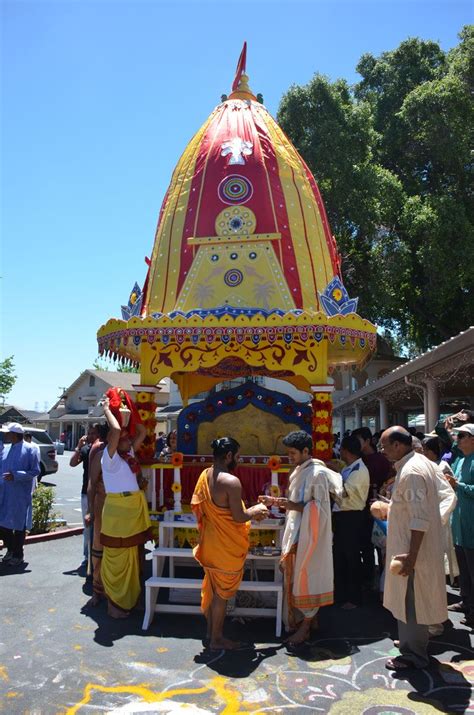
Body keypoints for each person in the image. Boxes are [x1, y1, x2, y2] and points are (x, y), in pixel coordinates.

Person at [260, 430, 342, 645]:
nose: (290, 457)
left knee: (307, 577)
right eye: (288, 453)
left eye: (293, 453)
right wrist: (278, 501)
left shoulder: (317, 473)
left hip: (309, 534)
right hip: (297, 530)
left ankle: (304, 627)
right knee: (296, 576)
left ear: (306, 451)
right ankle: (306, 621)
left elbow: (320, 508)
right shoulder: (299, 470)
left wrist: (285, 504)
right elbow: (298, 502)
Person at [379, 426, 447, 670]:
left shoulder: (412, 471)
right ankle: (411, 643)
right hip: (410, 546)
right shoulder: (417, 463)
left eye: (385, 447)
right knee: (409, 599)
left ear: (398, 445)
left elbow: (419, 519)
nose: (383, 452)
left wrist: (412, 556)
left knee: (411, 600)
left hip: (412, 549)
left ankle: (413, 655)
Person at [191, 436, 269, 650]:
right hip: (225, 547)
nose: (238, 459)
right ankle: (216, 639)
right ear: (228, 456)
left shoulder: (205, 474)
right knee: (221, 595)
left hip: (210, 542)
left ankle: (211, 632)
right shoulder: (231, 482)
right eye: (237, 456)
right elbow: (238, 517)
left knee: (214, 589)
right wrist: (254, 511)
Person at [100, 394, 151, 618]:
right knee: (116, 557)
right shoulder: (109, 458)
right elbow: (115, 431)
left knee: (134, 556)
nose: (130, 440)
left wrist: (131, 410)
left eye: (128, 439)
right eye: (124, 438)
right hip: (118, 514)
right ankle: (115, 604)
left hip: (133, 511)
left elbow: (142, 432)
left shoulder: (127, 454)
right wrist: (107, 410)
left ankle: (130, 601)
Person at [332, 434, 370, 609]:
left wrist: (329, 479)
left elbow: (343, 493)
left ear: (346, 451)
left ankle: (354, 598)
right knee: (340, 557)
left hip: (352, 518)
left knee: (352, 558)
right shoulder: (350, 468)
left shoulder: (359, 470)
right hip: (343, 517)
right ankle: (341, 595)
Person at [352, 426, 392, 588]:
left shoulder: (379, 460)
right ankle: (370, 577)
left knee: (380, 545)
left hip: (378, 507)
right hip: (362, 507)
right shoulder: (359, 460)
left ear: (368, 441)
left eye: (359, 440)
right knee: (367, 544)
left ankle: (381, 579)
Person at [0, 423, 40, 566]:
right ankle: (10, 549)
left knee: (18, 525)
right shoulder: (6, 449)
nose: (5, 435)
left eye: (8, 433)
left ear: (15, 435)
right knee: (3, 523)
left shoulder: (30, 449)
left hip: (20, 494)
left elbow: (35, 471)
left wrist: (16, 475)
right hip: (5, 493)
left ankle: (18, 554)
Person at [447, 423, 474, 627]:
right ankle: (466, 602)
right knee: (463, 568)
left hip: (471, 525)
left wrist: (459, 485)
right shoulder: (460, 460)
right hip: (459, 524)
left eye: (462, 435)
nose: (458, 438)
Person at [84, 424, 109, 606]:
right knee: (98, 548)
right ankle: (97, 590)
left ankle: (114, 591)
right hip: (101, 506)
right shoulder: (99, 452)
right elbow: (92, 485)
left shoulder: (126, 453)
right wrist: (90, 511)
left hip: (120, 508)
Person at [69, 424, 100, 567]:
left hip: (101, 493)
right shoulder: (86, 449)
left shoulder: (104, 449)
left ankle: (97, 553)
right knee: (87, 526)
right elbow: (73, 463)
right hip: (85, 493)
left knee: (99, 525)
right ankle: (87, 556)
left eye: (94, 433)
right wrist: (78, 446)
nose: (91, 436)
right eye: (90, 433)